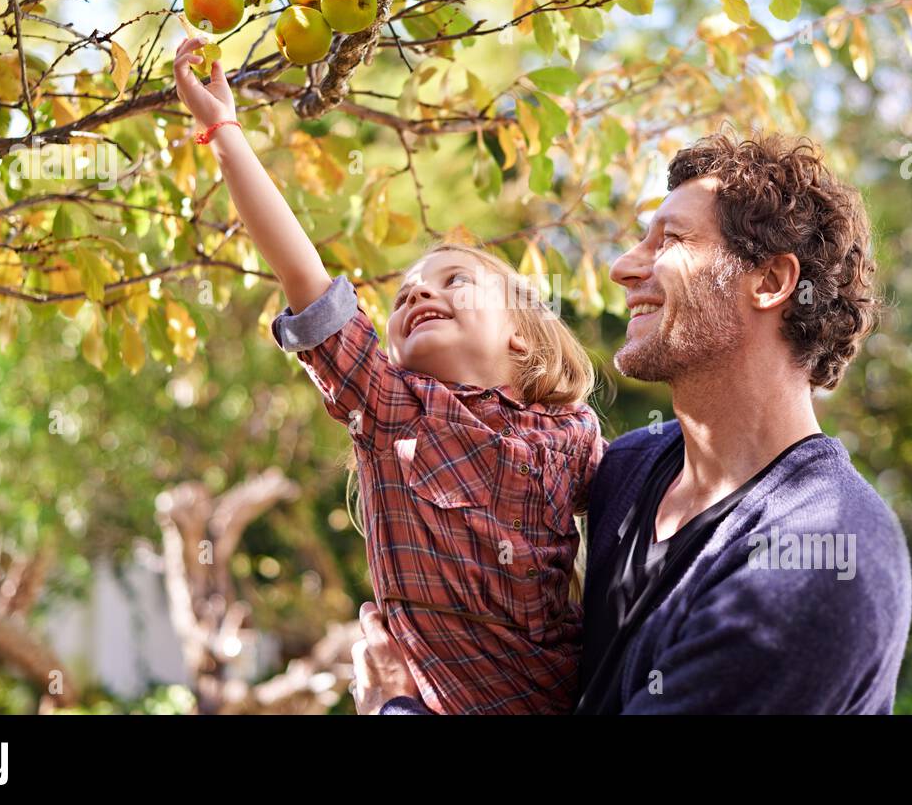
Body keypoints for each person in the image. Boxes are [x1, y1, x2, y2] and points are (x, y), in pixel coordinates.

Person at [353, 128, 912, 714]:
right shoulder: (624, 471)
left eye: (670, 240)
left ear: (769, 282)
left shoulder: (818, 558)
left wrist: (395, 707)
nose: (623, 268)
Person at [172, 35, 604, 714]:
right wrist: (224, 129)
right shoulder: (391, 409)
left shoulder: (573, 434)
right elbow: (305, 279)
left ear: (522, 332)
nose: (415, 294)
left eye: (452, 278)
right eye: (403, 292)